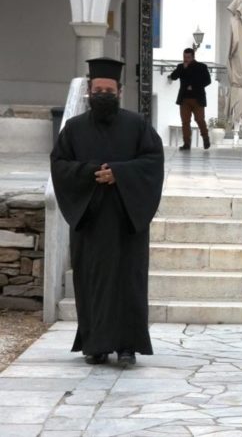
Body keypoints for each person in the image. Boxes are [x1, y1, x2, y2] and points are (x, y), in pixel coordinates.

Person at [50, 57, 165, 367]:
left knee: (128, 283)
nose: (103, 95)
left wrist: (119, 174)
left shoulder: (137, 125)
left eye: (109, 91)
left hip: (127, 220)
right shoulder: (74, 129)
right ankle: (96, 345)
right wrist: (91, 174)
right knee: (93, 282)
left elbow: (153, 162)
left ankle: (128, 347)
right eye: (98, 90)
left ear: (120, 92)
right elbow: (60, 165)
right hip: (90, 220)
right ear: (89, 91)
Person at [169, 48, 212, 150]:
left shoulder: (201, 67)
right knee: (185, 121)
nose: (186, 59)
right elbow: (173, 77)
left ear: (193, 57)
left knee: (200, 119)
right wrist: (182, 69)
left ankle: (205, 138)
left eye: (188, 57)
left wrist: (194, 86)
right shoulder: (180, 67)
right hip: (184, 98)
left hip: (198, 98)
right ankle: (186, 143)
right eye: (184, 57)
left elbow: (207, 81)